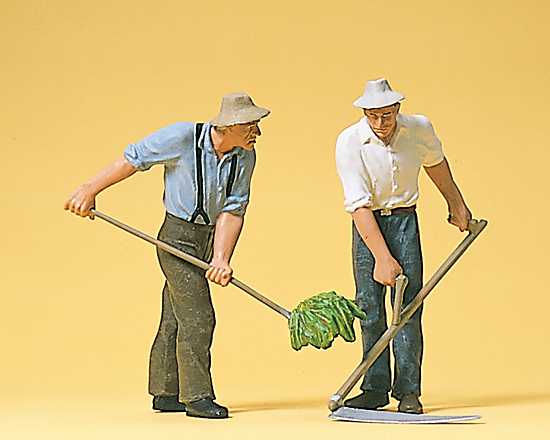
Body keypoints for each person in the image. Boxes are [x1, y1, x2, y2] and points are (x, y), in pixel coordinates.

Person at [64, 92, 270, 419]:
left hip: (208, 238)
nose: (257, 133)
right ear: (231, 125)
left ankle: (166, 391)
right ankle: (198, 397)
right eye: (252, 126)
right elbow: (133, 158)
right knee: (199, 316)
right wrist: (89, 190)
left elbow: (234, 209)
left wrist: (221, 258)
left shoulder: (245, 156)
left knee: (176, 316)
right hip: (177, 240)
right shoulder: (183, 136)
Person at [335, 79, 471, 414]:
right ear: (365, 113)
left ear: (397, 109)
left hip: (405, 222)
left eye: (387, 115)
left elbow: (435, 163)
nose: (380, 124)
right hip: (368, 224)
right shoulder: (350, 141)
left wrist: (457, 205)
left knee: (409, 306)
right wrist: (382, 258)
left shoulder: (419, 128)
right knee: (369, 308)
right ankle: (374, 387)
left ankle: (408, 391)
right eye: (373, 116)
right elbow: (358, 206)